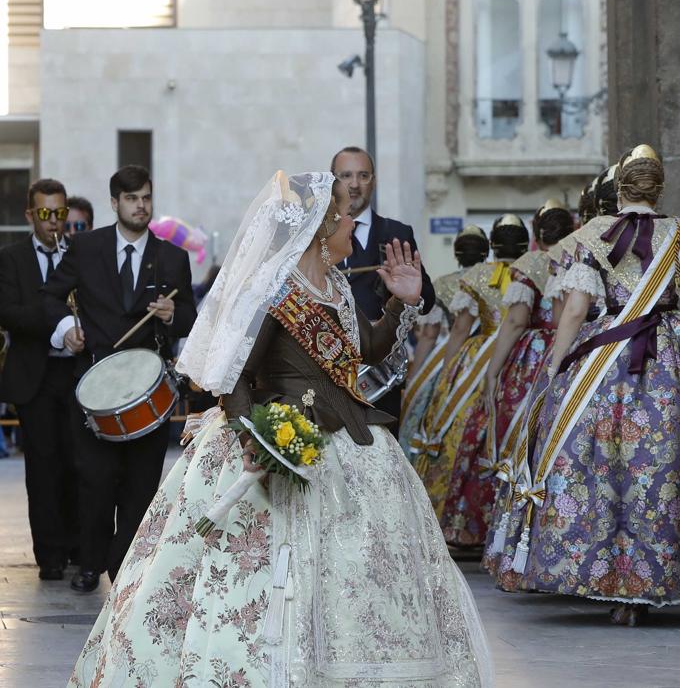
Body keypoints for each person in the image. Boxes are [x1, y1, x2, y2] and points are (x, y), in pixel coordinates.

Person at [68, 171, 492, 687]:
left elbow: (365, 351)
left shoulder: (334, 284)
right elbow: (236, 376)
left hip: (349, 438)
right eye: (343, 220)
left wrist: (400, 299)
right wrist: (256, 441)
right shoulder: (274, 289)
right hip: (279, 436)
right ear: (320, 227)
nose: (352, 226)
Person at [501, 145, 680, 626]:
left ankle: (607, 577)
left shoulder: (592, 237)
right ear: (659, 187)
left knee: (601, 462)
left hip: (603, 357)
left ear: (618, 188)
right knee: (668, 461)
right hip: (673, 358)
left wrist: (555, 367)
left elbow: (577, 311)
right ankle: (662, 576)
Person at [43, 165, 196, 593]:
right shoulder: (85, 248)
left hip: (148, 390)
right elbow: (51, 296)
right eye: (131, 199)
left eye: (146, 197)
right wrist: (64, 331)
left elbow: (189, 319)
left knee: (141, 483)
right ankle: (90, 564)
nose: (140, 206)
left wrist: (172, 316)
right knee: (93, 480)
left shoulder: (172, 257)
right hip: (94, 383)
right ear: (115, 203)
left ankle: (126, 565)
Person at [481, 201, 576, 581]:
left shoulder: (531, 266)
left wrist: (492, 371)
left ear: (536, 235)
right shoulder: (585, 255)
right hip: (584, 351)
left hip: (536, 359)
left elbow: (517, 320)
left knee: (526, 442)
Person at [413, 216, 529, 529]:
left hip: (475, 363)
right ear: (525, 243)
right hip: (525, 357)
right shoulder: (537, 270)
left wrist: (448, 377)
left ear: (492, 245)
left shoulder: (477, 276)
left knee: (465, 431)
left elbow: (460, 330)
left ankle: (463, 520)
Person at [0, 178, 79, 582]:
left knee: (78, 463)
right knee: (43, 468)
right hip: (36, 376)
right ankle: (49, 554)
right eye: (46, 214)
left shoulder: (79, 254)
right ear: (31, 215)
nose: (54, 222)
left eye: (60, 213)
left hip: (76, 374)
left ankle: (77, 547)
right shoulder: (10, 258)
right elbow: (8, 313)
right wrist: (57, 323)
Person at [331, 146, 436, 429]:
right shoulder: (318, 236)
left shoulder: (396, 233)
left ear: (373, 181)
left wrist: (410, 295)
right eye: (346, 175)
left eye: (363, 175)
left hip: (380, 377)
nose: (354, 184)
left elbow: (427, 298)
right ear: (333, 181)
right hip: (329, 372)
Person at [397, 226, 490, 461]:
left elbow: (428, 335)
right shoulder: (496, 278)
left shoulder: (442, 284)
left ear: (457, 254)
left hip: (451, 359)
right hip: (490, 358)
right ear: (485, 253)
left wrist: (414, 381)